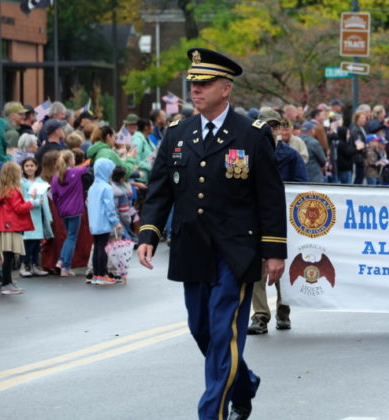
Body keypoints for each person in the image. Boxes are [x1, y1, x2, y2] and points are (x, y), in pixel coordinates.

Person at [136, 47, 286, 420]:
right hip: (192, 248)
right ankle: (243, 382)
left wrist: (274, 251)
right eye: (193, 84)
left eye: (204, 84)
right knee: (201, 328)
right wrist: (148, 235)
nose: (195, 91)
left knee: (223, 333)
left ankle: (211, 413)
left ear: (226, 89)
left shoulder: (251, 136)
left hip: (236, 252)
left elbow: (270, 196)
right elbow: (160, 190)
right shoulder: (177, 133)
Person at [248, 109, 306, 336]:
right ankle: (260, 315)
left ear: (280, 129)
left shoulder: (290, 155)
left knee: (282, 263)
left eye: (274, 127)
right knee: (257, 268)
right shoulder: (248, 153)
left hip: (283, 216)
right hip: (255, 217)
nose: (270, 131)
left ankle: (283, 308)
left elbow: (302, 186)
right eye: (266, 126)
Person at [0, 162, 36, 295]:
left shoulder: (4, 189)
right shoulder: (13, 191)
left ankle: (8, 282)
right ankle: (7, 284)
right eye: (19, 172)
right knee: (9, 256)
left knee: (8, 256)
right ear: (14, 175)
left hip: (6, 226)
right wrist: (32, 201)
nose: (21, 174)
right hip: (11, 226)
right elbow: (19, 208)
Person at [51, 150, 89, 276]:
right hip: (75, 210)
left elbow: (54, 196)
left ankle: (62, 261)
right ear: (70, 161)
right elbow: (87, 165)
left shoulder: (56, 177)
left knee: (69, 236)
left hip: (63, 211)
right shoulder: (76, 172)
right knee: (72, 237)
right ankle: (65, 265)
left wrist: (59, 207)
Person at [87, 158, 122, 286]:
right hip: (104, 222)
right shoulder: (107, 188)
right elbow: (109, 207)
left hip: (94, 222)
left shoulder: (92, 187)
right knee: (103, 248)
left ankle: (96, 274)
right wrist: (116, 221)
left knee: (97, 247)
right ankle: (102, 275)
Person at [20, 157, 52, 277]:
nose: (29, 168)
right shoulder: (21, 183)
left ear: (36, 167)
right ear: (23, 168)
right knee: (28, 242)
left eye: (31, 165)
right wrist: (36, 201)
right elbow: (22, 200)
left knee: (37, 242)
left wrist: (48, 216)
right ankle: (24, 265)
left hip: (38, 215)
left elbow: (46, 201)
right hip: (27, 214)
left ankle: (35, 265)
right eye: (27, 166)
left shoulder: (41, 182)